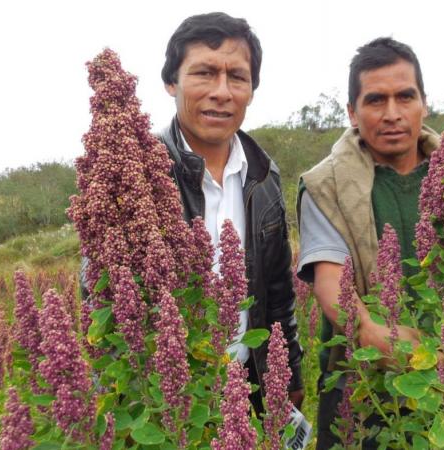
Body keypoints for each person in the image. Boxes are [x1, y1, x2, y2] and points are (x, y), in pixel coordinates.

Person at [82, 12, 304, 412]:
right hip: (163, 398)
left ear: (252, 90)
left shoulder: (264, 175)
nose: (222, 92)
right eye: (204, 73)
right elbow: (101, 302)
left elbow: (277, 293)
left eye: (237, 77)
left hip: (247, 386)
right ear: (172, 82)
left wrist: (289, 375)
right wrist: (124, 402)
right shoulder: (135, 173)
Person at [296, 37, 440, 449]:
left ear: (424, 103)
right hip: (363, 393)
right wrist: (431, 359)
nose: (392, 114)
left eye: (405, 97)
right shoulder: (326, 185)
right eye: (375, 100)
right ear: (352, 113)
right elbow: (335, 291)